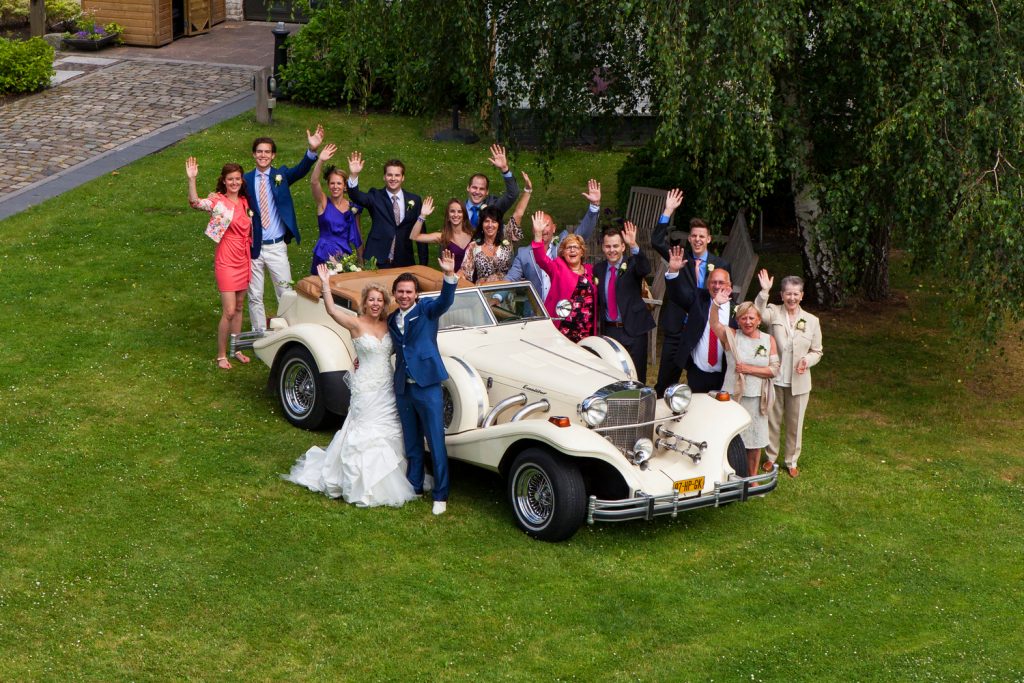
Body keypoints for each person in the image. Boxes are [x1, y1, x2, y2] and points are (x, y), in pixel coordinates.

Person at [283, 265, 417, 507]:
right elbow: (332, 310)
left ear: (384, 303)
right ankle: (359, 483)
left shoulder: (390, 324)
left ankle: (388, 476)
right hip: (365, 387)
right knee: (363, 430)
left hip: (386, 386)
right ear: (364, 303)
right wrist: (325, 284)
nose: (375, 304)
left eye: (379, 300)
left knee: (389, 429)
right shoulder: (355, 324)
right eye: (371, 300)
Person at [389, 250, 459, 515]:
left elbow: (445, 301)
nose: (405, 296)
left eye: (409, 292)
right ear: (395, 293)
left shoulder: (428, 310)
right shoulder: (391, 319)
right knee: (412, 441)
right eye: (400, 292)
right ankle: (414, 485)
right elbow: (392, 347)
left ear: (416, 294)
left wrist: (449, 275)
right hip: (404, 388)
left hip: (428, 385)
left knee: (436, 442)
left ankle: (441, 494)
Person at [651, 188, 731, 396]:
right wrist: (668, 210)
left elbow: (726, 296)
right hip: (679, 328)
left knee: (704, 387)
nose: (697, 239)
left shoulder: (720, 265)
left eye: (701, 236)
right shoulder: (679, 257)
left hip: (705, 333)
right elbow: (657, 242)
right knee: (665, 384)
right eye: (693, 235)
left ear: (709, 239)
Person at [245, 125, 324, 332]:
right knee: (255, 295)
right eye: (259, 151)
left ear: (273, 155)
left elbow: (300, 170)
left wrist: (312, 151)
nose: (263, 155)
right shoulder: (245, 179)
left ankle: (287, 332)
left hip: (276, 246)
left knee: (286, 292)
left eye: (267, 152)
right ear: (254, 154)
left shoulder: (281, 176)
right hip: (253, 247)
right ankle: (259, 334)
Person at [754, 269, 824, 478]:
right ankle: (771, 457)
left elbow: (817, 351)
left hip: (800, 381)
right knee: (772, 420)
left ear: (802, 295)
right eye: (788, 293)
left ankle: (791, 460)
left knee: (795, 423)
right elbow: (756, 315)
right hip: (775, 379)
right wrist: (764, 292)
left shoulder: (812, 321)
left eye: (796, 293)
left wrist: (807, 360)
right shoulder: (774, 312)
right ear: (782, 295)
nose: (792, 298)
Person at [186, 157, 253, 370]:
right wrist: (192, 179)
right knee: (230, 310)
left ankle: (237, 349)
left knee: (241, 306)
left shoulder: (244, 202)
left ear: (242, 181)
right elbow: (196, 203)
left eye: (237, 179)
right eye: (230, 179)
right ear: (224, 181)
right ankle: (221, 354)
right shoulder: (218, 202)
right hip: (226, 259)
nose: (234, 182)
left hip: (243, 258)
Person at [709, 296, 780, 477]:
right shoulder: (731, 336)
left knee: (755, 440)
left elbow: (774, 369)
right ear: (738, 320)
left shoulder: (768, 340)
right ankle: (728, 474)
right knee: (731, 437)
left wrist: (748, 369)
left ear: (758, 320)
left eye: (751, 318)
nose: (747, 322)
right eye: (743, 318)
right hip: (734, 396)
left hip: (757, 397)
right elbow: (714, 323)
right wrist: (716, 305)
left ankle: (752, 478)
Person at [506, 178, 602, 301]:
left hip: (564, 309)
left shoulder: (564, 244)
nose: (542, 228)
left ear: (554, 228)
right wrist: (496, 296)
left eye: (546, 224)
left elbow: (583, 231)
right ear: (533, 229)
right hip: (537, 312)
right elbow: (511, 279)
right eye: (538, 224)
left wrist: (594, 206)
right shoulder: (523, 253)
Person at [663, 245, 737, 392]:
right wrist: (673, 271)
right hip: (698, 371)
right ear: (707, 284)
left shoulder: (736, 310)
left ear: (730, 286)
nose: (716, 286)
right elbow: (676, 295)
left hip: (724, 373)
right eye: (713, 282)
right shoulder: (698, 298)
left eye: (721, 282)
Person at [595, 222, 656, 383]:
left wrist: (634, 245)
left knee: (636, 375)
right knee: (613, 376)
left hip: (633, 329)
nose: (612, 250)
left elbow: (645, 269)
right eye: (608, 246)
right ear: (603, 248)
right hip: (610, 329)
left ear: (623, 247)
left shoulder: (632, 264)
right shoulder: (598, 270)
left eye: (616, 246)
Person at [346, 152, 428, 268]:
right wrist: (354, 175)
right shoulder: (375, 196)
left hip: (404, 260)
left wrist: (423, 265)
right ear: (384, 177)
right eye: (389, 175)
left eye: (397, 175)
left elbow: (421, 233)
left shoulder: (415, 200)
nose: (393, 178)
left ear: (403, 177)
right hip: (378, 259)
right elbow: (356, 196)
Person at [530, 212, 597, 342]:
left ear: (582, 251)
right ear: (563, 252)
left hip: (586, 328)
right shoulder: (558, 267)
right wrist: (538, 235)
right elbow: (541, 260)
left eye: (576, 247)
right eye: (568, 248)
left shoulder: (590, 270)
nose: (572, 250)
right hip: (563, 329)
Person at [458, 175, 532, 283]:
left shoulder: (506, 235)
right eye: (486, 221)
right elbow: (464, 271)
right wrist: (452, 274)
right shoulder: (473, 246)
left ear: (499, 224)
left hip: (505, 292)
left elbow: (518, 214)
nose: (490, 225)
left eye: (494, 221)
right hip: (482, 294)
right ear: (482, 224)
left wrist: (528, 190)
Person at [308, 143, 362, 274]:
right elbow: (314, 182)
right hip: (324, 253)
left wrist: (361, 260)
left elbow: (358, 234)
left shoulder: (353, 207)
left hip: (344, 255)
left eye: (339, 183)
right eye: (332, 183)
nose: (335, 186)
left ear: (345, 186)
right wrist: (320, 160)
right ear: (328, 185)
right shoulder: (323, 202)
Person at [408, 197, 475, 272]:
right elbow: (414, 236)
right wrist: (422, 215)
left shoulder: (473, 235)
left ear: (464, 216)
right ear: (448, 216)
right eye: (452, 211)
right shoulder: (442, 237)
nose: (456, 215)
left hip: (473, 280)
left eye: (459, 211)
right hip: (452, 279)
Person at [465, 143, 520, 227]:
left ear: (487, 192)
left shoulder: (494, 207)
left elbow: (513, 194)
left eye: (482, 189)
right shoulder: (458, 210)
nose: (477, 191)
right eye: (474, 187)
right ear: (468, 188)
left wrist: (504, 169)